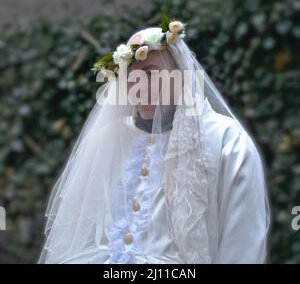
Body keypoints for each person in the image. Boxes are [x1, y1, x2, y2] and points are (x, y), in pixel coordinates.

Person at [39, 18, 270, 264]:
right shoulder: (111, 137)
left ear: (180, 72)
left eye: (150, 73)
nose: (139, 87)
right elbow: (82, 229)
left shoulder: (226, 140)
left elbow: (243, 242)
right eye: (131, 76)